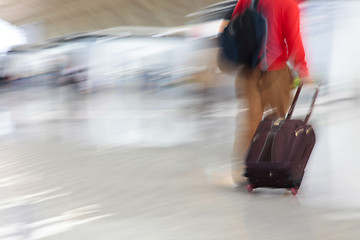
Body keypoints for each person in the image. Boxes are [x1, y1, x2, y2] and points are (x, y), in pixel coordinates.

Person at [228, 0, 315, 185]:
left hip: (247, 71)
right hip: (275, 71)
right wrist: (303, 71)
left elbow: (235, 25)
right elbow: (294, 40)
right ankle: (271, 168)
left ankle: (246, 170)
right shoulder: (288, 5)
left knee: (251, 120)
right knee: (277, 122)